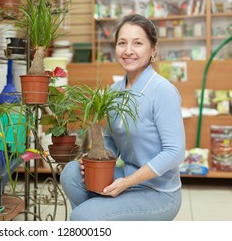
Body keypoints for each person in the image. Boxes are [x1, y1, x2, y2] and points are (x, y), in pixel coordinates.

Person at [60, 14, 186, 221]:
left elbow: (175, 152)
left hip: (158, 192)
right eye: (122, 43)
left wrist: (127, 182)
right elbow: (112, 140)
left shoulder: (162, 90)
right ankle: (103, 218)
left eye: (137, 43)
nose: (128, 51)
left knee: (83, 218)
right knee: (72, 173)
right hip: (125, 176)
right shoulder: (114, 90)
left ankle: (96, 217)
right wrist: (97, 157)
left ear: (153, 49)